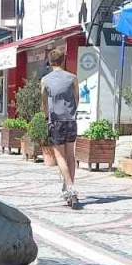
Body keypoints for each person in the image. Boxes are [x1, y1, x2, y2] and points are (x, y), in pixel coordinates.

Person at [42, 47, 81, 209]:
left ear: (50, 62)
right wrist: (71, 111)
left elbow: (44, 102)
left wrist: (46, 117)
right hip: (70, 120)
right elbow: (77, 98)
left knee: (60, 157)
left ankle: (71, 189)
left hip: (56, 121)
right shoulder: (73, 78)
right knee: (71, 155)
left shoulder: (45, 80)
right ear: (63, 60)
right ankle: (67, 188)